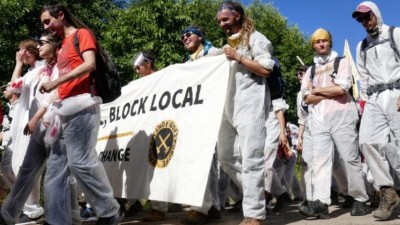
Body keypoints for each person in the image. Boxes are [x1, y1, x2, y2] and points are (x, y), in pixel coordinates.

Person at [38, 2, 123, 224]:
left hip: (84, 107)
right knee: (55, 168)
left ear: (61, 15)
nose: (46, 26)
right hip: (63, 110)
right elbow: (65, 82)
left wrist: (56, 81)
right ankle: (57, 219)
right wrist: (50, 111)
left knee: (81, 162)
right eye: (43, 23)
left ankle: (109, 211)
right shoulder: (60, 46)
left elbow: (89, 65)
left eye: (48, 21)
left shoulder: (82, 34)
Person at [298, 28, 369, 219]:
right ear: (313, 45)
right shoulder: (311, 70)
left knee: (349, 158)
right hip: (319, 119)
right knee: (320, 160)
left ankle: (360, 198)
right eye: (317, 42)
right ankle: (321, 202)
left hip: (342, 116)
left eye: (324, 41)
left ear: (330, 42)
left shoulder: (341, 62)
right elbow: (305, 96)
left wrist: (317, 91)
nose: (321, 44)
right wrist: (325, 91)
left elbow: (342, 89)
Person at [216, 1, 275, 225]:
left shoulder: (256, 38)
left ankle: (254, 214)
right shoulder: (224, 47)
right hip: (228, 108)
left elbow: (266, 69)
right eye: (220, 21)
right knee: (225, 156)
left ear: (238, 16)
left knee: (252, 159)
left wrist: (238, 57)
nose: (222, 24)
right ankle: (258, 193)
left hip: (251, 105)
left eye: (226, 19)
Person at [352, 1, 400, 220]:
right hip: (374, 97)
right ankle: (388, 192)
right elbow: (363, 78)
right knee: (366, 140)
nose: (364, 21)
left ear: (376, 14)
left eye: (367, 16)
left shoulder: (395, 34)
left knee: (398, 147)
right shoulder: (361, 47)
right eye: (360, 19)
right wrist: (364, 105)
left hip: (397, 92)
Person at [0, 38, 47, 224]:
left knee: (24, 166)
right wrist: (19, 65)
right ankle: (24, 205)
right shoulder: (31, 71)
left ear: (31, 51)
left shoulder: (42, 69)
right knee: (8, 166)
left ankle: (34, 208)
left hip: (36, 122)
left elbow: (14, 87)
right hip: (22, 124)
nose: (20, 54)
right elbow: (14, 86)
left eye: (22, 51)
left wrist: (18, 64)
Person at [178, 25, 221, 225]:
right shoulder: (187, 63)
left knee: (207, 162)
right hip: (197, 117)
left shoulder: (214, 54)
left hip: (214, 114)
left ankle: (203, 207)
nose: (184, 37)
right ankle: (212, 207)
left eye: (188, 34)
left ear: (201, 37)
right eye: (182, 36)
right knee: (206, 163)